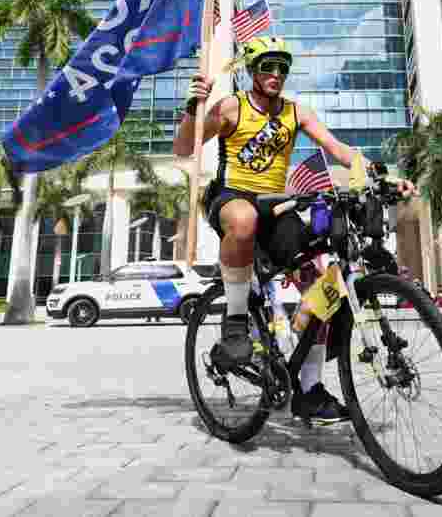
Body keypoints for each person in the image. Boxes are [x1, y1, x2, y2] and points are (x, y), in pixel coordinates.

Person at [173, 36, 415, 423]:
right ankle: (236, 322)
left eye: (282, 68)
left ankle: (310, 390)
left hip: (277, 206)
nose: (276, 74)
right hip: (233, 197)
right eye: (268, 66)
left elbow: (338, 148)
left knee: (323, 290)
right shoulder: (233, 106)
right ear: (253, 70)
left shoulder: (296, 112)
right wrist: (192, 108)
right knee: (244, 219)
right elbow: (185, 147)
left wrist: (385, 177)